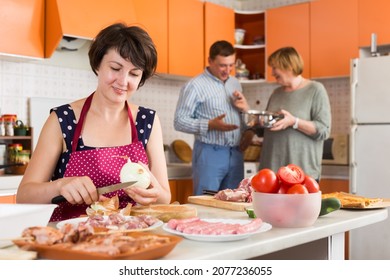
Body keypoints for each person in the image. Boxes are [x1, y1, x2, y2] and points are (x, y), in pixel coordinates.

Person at [16, 23, 171, 221]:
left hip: (131, 237)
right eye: (115, 68)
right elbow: (24, 195)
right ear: (98, 64)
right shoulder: (62, 120)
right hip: (73, 239)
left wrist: (154, 195)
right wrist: (59, 186)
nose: (123, 81)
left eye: (134, 73)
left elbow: (165, 197)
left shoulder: (147, 121)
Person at [240, 46, 331, 181]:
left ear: (288, 66)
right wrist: (248, 111)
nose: (272, 73)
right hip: (271, 171)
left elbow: (323, 130)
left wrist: (294, 122)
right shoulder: (276, 93)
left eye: (274, 67)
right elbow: (266, 129)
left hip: (300, 172)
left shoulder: (315, 90)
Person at [174, 40, 249, 195]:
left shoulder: (235, 83)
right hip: (209, 153)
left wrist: (245, 109)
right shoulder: (195, 86)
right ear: (210, 61)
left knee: (235, 204)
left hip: (235, 153)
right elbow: (179, 121)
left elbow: (241, 113)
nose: (227, 70)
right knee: (206, 205)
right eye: (222, 65)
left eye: (231, 65)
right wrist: (210, 125)